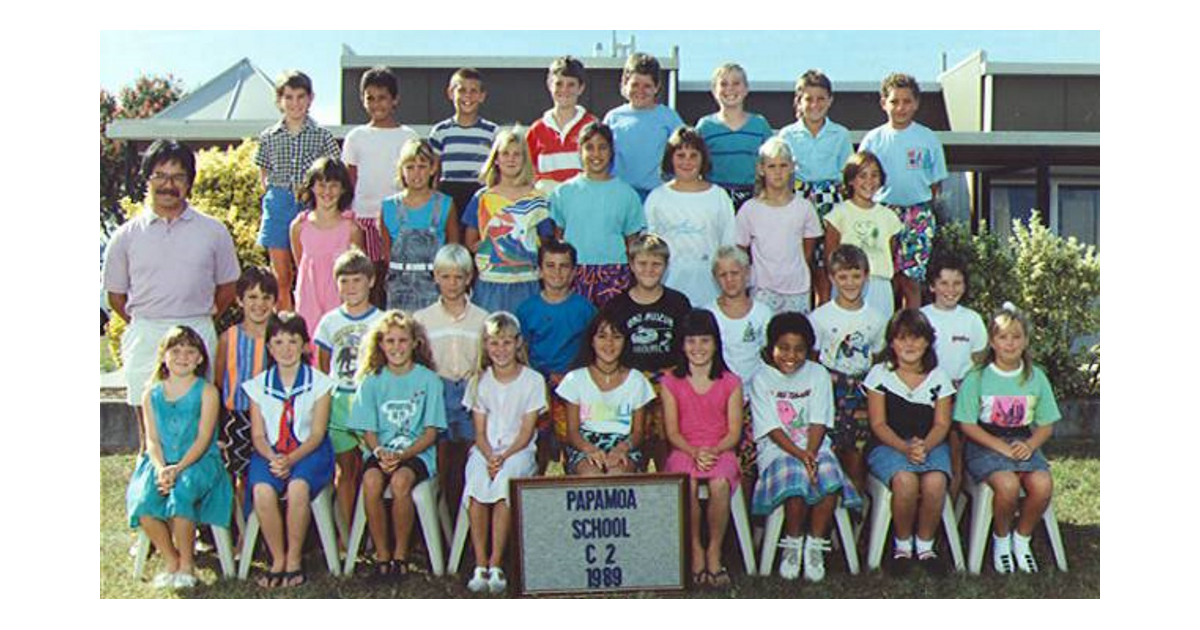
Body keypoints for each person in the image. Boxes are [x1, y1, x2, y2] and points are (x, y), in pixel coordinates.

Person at [103, 139, 240, 452]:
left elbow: (228, 288)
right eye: (160, 176)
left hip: (198, 332)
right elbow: (116, 297)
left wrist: (195, 320)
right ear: (147, 179)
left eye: (178, 177)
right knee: (148, 436)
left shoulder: (214, 231)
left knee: (199, 432)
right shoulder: (126, 236)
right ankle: (150, 495)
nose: (168, 185)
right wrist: (151, 319)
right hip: (146, 333)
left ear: (189, 182)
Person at [749, 312, 859, 582]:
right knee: (797, 481)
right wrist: (800, 456)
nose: (791, 355)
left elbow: (819, 420)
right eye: (783, 348)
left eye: (799, 350)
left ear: (808, 352)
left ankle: (815, 544)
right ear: (771, 347)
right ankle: (793, 541)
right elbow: (772, 429)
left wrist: (810, 454)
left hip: (815, 445)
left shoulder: (818, 374)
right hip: (778, 450)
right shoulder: (762, 378)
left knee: (829, 478)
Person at [954, 303, 1060, 574]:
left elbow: (1047, 424)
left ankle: (1022, 539)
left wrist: (1030, 445)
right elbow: (966, 423)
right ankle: (1001, 539)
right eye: (1003, 337)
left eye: (1016, 336)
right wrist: (1000, 446)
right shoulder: (976, 377)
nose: (1010, 343)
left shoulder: (1036, 377)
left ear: (1025, 340)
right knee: (1008, 485)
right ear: (992, 341)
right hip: (985, 441)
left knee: (1042, 484)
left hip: (1023, 440)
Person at [126, 326, 233, 590]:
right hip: (161, 462)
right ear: (163, 356)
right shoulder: (151, 393)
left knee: (181, 494)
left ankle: (187, 564)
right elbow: (152, 440)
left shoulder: (207, 392)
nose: (182, 356)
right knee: (143, 499)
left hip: (199, 462)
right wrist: (162, 468)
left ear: (200, 358)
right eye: (175, 351)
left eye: (190, 351)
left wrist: (179, 468)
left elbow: (204, 438)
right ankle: (171, 560)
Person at [348, 310, 446, 580]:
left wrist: (403, 454)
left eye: (403, 340)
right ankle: (382, 555)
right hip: (381, 451)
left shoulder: (429, 380)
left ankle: (400, 555)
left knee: (402, 482)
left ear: (415, 343)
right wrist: (379, 451)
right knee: (370, 482)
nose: (396, 347)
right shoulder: (371, 381)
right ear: (380, 344)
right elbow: (366, 429)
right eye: (390, 341)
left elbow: (431, 432)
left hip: (417, 453)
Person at [243, 312, 337, 589]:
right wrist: (273, 458)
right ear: (270, 348)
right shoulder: (258, 385)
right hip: (270, 451)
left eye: (293, 341)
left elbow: (318, 432)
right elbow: (258, 434)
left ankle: (295, 559)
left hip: (309, 450)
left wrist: (291, 459)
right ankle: (278, 558)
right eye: (279, 342)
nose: (286, 349)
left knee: (297, 487)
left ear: (305, 345)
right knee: (262, 489)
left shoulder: (320, 383)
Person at [863, 309, 956, 577]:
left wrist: (924, 446)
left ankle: (926, 546)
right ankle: (902, 547)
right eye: (902, 338)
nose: (909, 345)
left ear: (927, 341)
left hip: (931, 443)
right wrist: (905, 448)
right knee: (904, 481)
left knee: (935, 481)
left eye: (916, 338)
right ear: (892, 342)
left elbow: (941, 424)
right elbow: (878, 424)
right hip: (889, 445)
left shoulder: (938, 377)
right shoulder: (880, 374)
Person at [462, 312, 547, 594]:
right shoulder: (479, 381)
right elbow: (479, 432)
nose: (501, 350)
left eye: (507, 343)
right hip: (486, 450)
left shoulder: (533, 381)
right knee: (476, 483)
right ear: (486, 345)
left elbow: (525, 432)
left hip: (518, 451)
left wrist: (504, 456)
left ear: (518, 343)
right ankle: (480, 562)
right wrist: (489, 456)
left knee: (503, 484)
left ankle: (497, 562)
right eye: (494, 343)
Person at [660, 310, 743, 589]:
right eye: (691, 341)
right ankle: (695, 548)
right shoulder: (670, 381)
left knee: (719, 483)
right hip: (684, 449)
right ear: (681, 345)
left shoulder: (731, 382)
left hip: (721, 449)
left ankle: (714, 551)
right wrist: (695, 452)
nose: (698, 348)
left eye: (704, 341)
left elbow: (734, 432)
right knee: (689, 481)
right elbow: (672, 432)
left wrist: (714, 451)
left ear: (716, 343)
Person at [602, 234, 692, 471]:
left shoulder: (678, 303)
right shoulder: (617, 306)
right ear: (631, 265)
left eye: (656, 264)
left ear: (665, 266)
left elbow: (687, 350)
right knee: (630, 456)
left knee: (667, 455)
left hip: (668, 387)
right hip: (630, 388)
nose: (649, 270)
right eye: (642, 264)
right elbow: (608, 351)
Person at [313, 249, 385, 544]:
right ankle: (349, 534)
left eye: (357, 280)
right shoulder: (329, 322)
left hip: (370, 403)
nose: (351, 287)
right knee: (345, 470)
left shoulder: (381, 320)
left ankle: (374, 531)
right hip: (340, 403)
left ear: (371, 282)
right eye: (344, 281)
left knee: (373, 468)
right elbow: (321, 363)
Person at [858, 73, 948, 310]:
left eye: (907, 101)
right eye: (894, 101)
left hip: (918, 213)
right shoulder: (873, 139)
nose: (901, 108)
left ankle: (912, 329)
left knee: (911, 280)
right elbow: (860, 179)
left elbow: (936, 182)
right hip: (882, 212)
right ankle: (884, 332)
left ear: (916, 103)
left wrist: (920, 205)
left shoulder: (927, 138)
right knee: (883, 277)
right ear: (883, 103)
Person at [255, 70, 340, 312]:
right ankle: (285, 322)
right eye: (289, 97)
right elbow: (263, 172)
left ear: (310, 99)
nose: (295, 103)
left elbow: (333, 171)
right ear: (279, 101)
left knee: (310, 271)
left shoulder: (322, 135)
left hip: (309, 205)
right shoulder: (268, 136)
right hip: (279, 204)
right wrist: (274, 196)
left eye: (300, 97)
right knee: (281, 276)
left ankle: (310, 321)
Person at [413, 244, 489, 513]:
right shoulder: (422, 319)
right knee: (441, 464)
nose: (452, 283)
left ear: (469, 278)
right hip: (439, 393)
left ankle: (469, 526)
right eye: (445, 276)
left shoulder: (482, 319)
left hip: (471, 392)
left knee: (472, 459)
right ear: (435, 277)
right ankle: (440, 527)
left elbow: (485, 363)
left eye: (459, 276)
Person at [808, 244, 888, 494]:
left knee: (857, 457)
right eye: (842, 277)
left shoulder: (877, 318)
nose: (850, 283)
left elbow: (877, 360)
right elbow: (813, 360)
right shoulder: (819, 317)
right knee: (830, 453)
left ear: (866, 276)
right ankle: (829, 524)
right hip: (830, 393)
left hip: (862, 394)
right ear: (832, 278)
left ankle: (858, 522)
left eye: (856, 276)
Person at [514, 240, 596, 472]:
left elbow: (592, 351)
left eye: (563, 266)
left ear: (574, 271)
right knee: (538, 441)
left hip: (573, 387)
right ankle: (536, 482)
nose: (557, 272)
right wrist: (538, 379)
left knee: (570, 442)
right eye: (550, 266)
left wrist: (570, 378)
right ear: (539, 270)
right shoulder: (527, 309)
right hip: (538, 386)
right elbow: (521, 352)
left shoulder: (585, 309)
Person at [341, 66, 420, 307]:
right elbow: (349, 181)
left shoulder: (408, 136)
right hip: (364, 218)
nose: (377, 104)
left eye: (383, 97)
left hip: (399, 218)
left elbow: (416, 178)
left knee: (397, 276)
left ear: (394, 99)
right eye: (370, 98)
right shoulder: (356, 137)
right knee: (369, 278)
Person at [778, 70, 854, 306]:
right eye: (809, 98)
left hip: (829, 199)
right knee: (801, 258)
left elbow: (847, 174)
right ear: (799, 101)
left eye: (821, 98)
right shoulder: (787, 134)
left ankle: (824, 310)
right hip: (798, 198)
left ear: (830, 100)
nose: (815, 104)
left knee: (826, 261)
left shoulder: (840, 134)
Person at [548, 122, 645, 307]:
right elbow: (557, 238)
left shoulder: (626, 193)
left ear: (611, 151)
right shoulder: (564, 192)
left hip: (615, 272)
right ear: (580, 151)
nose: (596, 154)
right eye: (589, 148)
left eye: (602, 147)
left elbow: (632, 241)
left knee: (612, 330)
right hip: (575, 271)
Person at [703, 246, 772, 498]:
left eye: (735, 272)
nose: (730, 279)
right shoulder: (707, 314)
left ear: (747, 274)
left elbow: (769, 361)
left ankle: (750, 523)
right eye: (723, 274)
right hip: (717, 402)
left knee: (750, 463)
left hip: (755, 401)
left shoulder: (763, 313)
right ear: (715, 278)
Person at [462, 127, 555, 314]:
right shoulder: (482, 198)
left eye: (517, 154)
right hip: (491, 282)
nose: (511, 159)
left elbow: (545, 240)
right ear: (496, 159)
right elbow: (470, 241)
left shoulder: (537, 198)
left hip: (527, 281)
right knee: (493, 338)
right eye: (505, 153)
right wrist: (494, 246)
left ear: (525, 159)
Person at [920, 254, 988, 502]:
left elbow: (979, 362)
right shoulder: (922, 317)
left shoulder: (972, 319)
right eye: (944, 283)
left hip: (961, 398)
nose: (950, 290)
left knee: (957, 455)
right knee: (934, 453)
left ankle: (951, 517)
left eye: (957, 283)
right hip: (927, 399)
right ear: (932, 286)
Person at [214, 266, 277, 530]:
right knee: (236, 476)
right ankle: (241, 532)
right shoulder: (228, 338)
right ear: (240, 300)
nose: (259, 304)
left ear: (274, 301)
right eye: (252, 297)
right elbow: (218, 382)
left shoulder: (279, 339)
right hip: (235, 416)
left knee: (259, 475)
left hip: (267, 419)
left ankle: (261, 529)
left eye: (265, 297)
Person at [644, 126, 736, 307]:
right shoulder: (657, 197)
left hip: (710, 291)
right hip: (668, 289)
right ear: (670, 158)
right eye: (680, 155)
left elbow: (729, 246)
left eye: (693, 155)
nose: (687, 161)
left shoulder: (718, 197)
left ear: (703, 159)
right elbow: (649, 249)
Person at [557, 311, 656, 475]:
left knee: (617, 475)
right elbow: (572, 432)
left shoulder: (637, 380)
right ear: (592, 341)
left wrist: (621, 449)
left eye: (616, 337)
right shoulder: (575, 379)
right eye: (602, 336)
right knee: (591, 475)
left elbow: (638, 432)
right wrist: (590, 449)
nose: (609, 343)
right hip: (585, 446)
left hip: (624, 446)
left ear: (625, 341)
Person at [735, 137, 823, 315]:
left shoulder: (804, 207)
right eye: (771, 166)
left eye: (783, 166)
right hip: (762, 291)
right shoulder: (749, 209)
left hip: (797, 289)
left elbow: (808, 250)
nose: (778, 172)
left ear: (791, 167)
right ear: (761, 169)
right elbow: (741, 250)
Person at [289, 157, 364, 342]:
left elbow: (360, 271)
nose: (327, 192)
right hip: (309, 300)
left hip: (340, 300)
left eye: (334, 186)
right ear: (312, 187)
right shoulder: (299, 226)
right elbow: (301, 263)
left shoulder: (352, 229)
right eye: (321, 185)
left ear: (343, 188)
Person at [380, 138, 460, 312]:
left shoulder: (446, 204)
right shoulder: (388, 207)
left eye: (422, 166)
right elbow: (386, 254)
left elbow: (453, 252)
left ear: (432, 169)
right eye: (410, 167)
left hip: (435, 287)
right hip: (398, 289)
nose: (417, 173)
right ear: (401, 171)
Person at [823, 151, 904, 317]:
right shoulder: (839, 213)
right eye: (862, 175)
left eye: (874, 175)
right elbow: (830, 256)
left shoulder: (889, 216)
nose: (869, 181)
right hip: (847, 285)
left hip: (879, 285)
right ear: (851, 180)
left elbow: (892, 254)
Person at [602, 53, 685, 201]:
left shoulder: (668, 117)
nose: (640, 91)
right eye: (635, 85)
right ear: (625, 83)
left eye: (647, 86)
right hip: (620, 195)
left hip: (658, 195)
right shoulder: (613, 118)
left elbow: (684, 153)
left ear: (657, 87)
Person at [696, 63, 772, 211]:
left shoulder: (759, 125)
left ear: (746, 89)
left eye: (736, 83)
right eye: (723, 84)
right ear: (714, 91)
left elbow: (771, 163)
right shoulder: (705, 126)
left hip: (753, 198)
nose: (730, 89)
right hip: (715, 198)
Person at [430, 68, 497, 227]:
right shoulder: (440, 131)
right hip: (449, 194)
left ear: (482, 96)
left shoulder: (492, 132)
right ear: (450, 93)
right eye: (461, 90)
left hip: (479, 194)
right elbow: (434, 172)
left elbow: (496, 171)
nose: (468, 95)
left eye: (474, 91)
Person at [527, 56, 598, 195]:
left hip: (583, 201)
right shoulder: (536, 130)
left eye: (571, 84)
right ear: (549, 85)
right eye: (559, 84)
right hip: (547, 205)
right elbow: (527, 173)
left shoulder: (592, 126)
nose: (564, 90)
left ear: (581, 88)